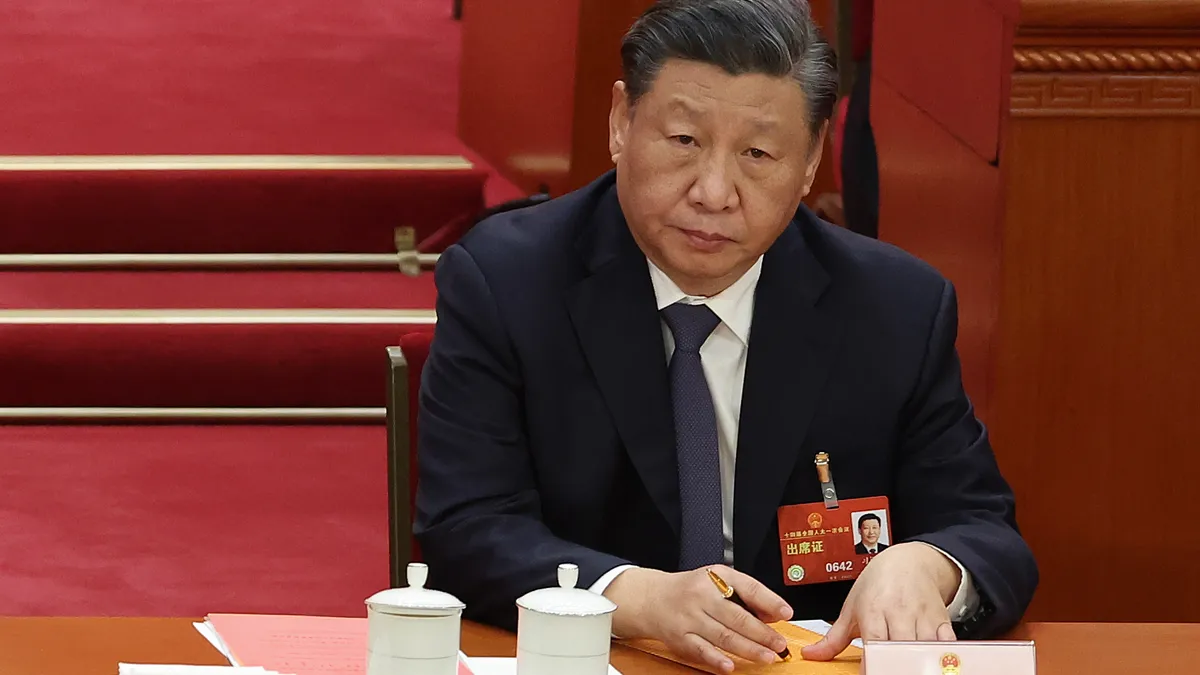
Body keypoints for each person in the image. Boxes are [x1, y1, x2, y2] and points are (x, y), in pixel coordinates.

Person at [414, 1, 1038, 672]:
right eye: (684, 141)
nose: (714, 192)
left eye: (758, 153)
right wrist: (637, 596)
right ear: (622, 121)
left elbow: (987, 535)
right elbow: (466, 528)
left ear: (810, 160)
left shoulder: (894, 308)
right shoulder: (508, 282)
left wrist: (928, 566)